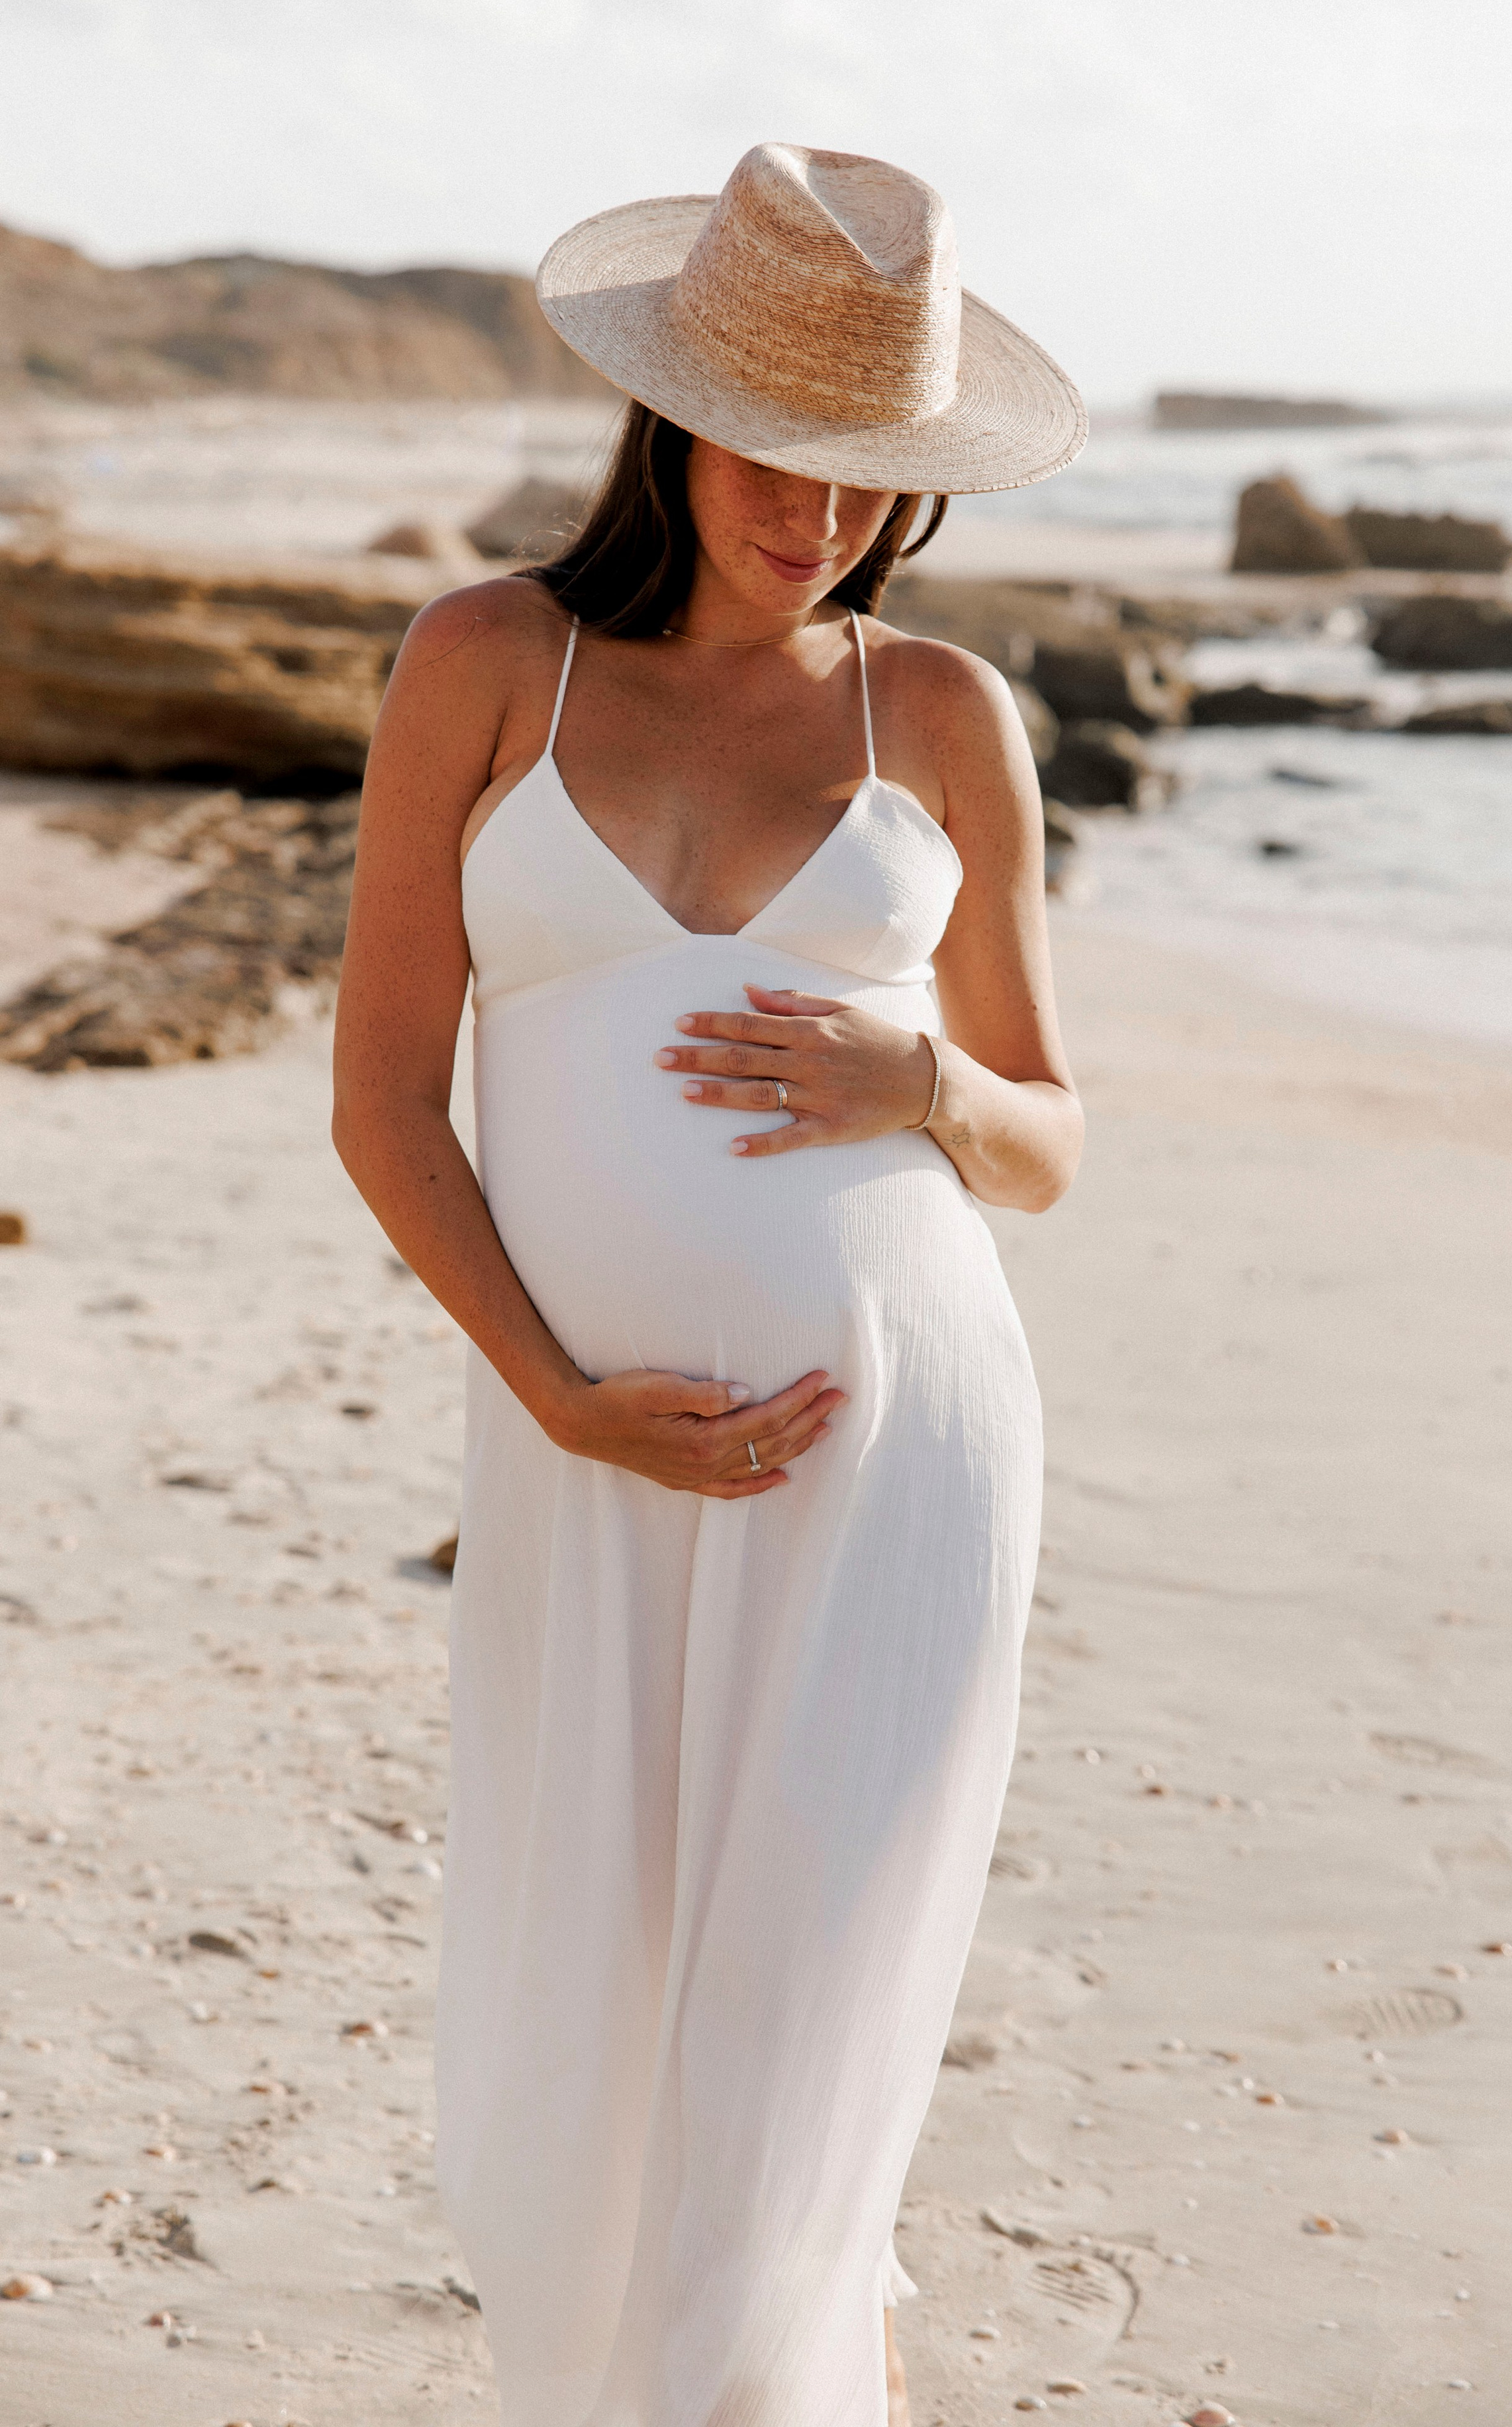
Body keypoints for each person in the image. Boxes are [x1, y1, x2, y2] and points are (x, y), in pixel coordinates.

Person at [332, 142, 1086, 2427]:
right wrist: (553, 1394)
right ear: (673, 417)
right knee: (597, 2006)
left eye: (870, 473)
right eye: (780, 450)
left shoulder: (939, 716)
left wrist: (921, 1071)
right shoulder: (489, 663)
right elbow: (383, 1100)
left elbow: (1049, 1143)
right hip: (596, 1450)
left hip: (903, 1455)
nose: (820, 515)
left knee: (804, 2015)